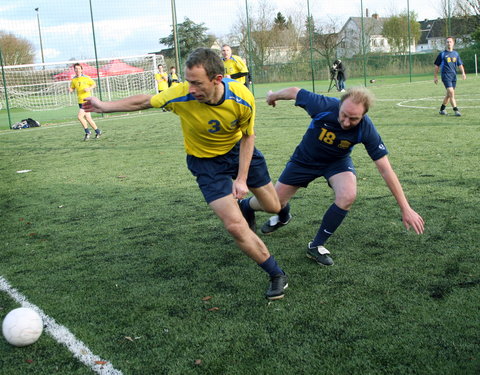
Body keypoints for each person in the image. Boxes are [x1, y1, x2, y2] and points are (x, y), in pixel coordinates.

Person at [83, 48, 288, 300]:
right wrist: (103, 105)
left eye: (197, 83)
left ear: (217, 80)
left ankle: (247, 206)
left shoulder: (242, 97)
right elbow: (144, 101)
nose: (190, 88)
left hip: (239, 152)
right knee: (235, 226)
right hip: (205, 163)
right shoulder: (180, 94)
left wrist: (241, 178)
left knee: (273, 206)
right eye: (188, 81)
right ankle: (276, 273)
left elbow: (248, 136)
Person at [243, 86, 425, 266]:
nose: (346, 122)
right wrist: (273, 96)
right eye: (344, 115)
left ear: (363, 116)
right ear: (340, 105)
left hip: (336, 163)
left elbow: (385, 169)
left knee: (348, 195)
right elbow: (294, 92)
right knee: (273, 205)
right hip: (304, 161)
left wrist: (405, 208)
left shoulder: (366, 128)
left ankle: (316, 245)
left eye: (353, 119)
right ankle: (250, 206)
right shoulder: (323, 105)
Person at [434, 36, 466, 116]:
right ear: (445, 43)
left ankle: (442, 109)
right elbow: (436, 66)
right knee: (451, 93)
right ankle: (456, 110)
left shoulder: (456, 54)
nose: (449, 43)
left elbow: (460, 64)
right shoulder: (442, 54)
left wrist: (463, 73)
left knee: (449, 95)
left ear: (453, 43)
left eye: (450, 42)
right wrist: (435, 76)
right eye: (447, 42)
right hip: (445, 76)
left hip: (453, 76)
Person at [69, 63, 102, 140]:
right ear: (74, 70)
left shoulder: (86, 78)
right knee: (88, 118)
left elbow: (94, 84)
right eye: (76, 69)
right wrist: (71, 89)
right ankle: (98, 131)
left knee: (79, 117)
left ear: (82, 70)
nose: (77, 70)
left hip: (87, 101)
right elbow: (72, 87)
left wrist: (89, 89)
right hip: (80, 102)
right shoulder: (74, 80)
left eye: (79, 68)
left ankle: (87, 132)